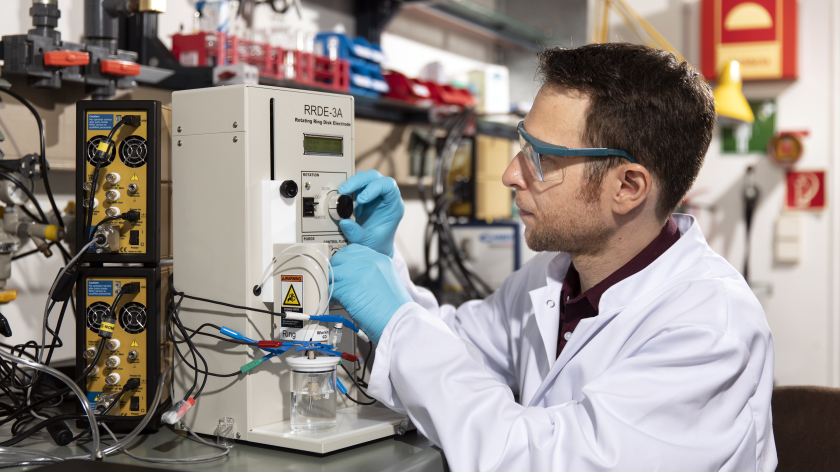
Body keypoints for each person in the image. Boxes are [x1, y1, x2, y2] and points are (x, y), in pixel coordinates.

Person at [330, 43, 776, 471]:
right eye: (522, 145)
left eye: (540, 158)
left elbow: (541, 460)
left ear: (627, 187)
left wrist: (399, 323)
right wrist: (383, 267)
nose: (510, 175)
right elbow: (456, 350)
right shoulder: (554, 275)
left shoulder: (710, 329)